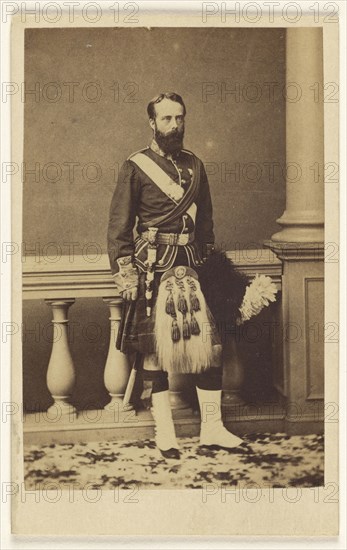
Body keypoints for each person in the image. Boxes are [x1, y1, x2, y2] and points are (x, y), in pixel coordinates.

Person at [107, 92, 244, 460]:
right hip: (154, 267)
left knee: (209, 348)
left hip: (193, 263)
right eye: (166, 119)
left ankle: (212, 429)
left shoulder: (196, 165)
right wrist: (127, 273)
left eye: (179, 118)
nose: (174, 126)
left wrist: (211, 267)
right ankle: (164, 433)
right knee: (154, 352)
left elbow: (208, 223)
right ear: (152, 123)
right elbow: (119, 229)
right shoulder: (135, 166)